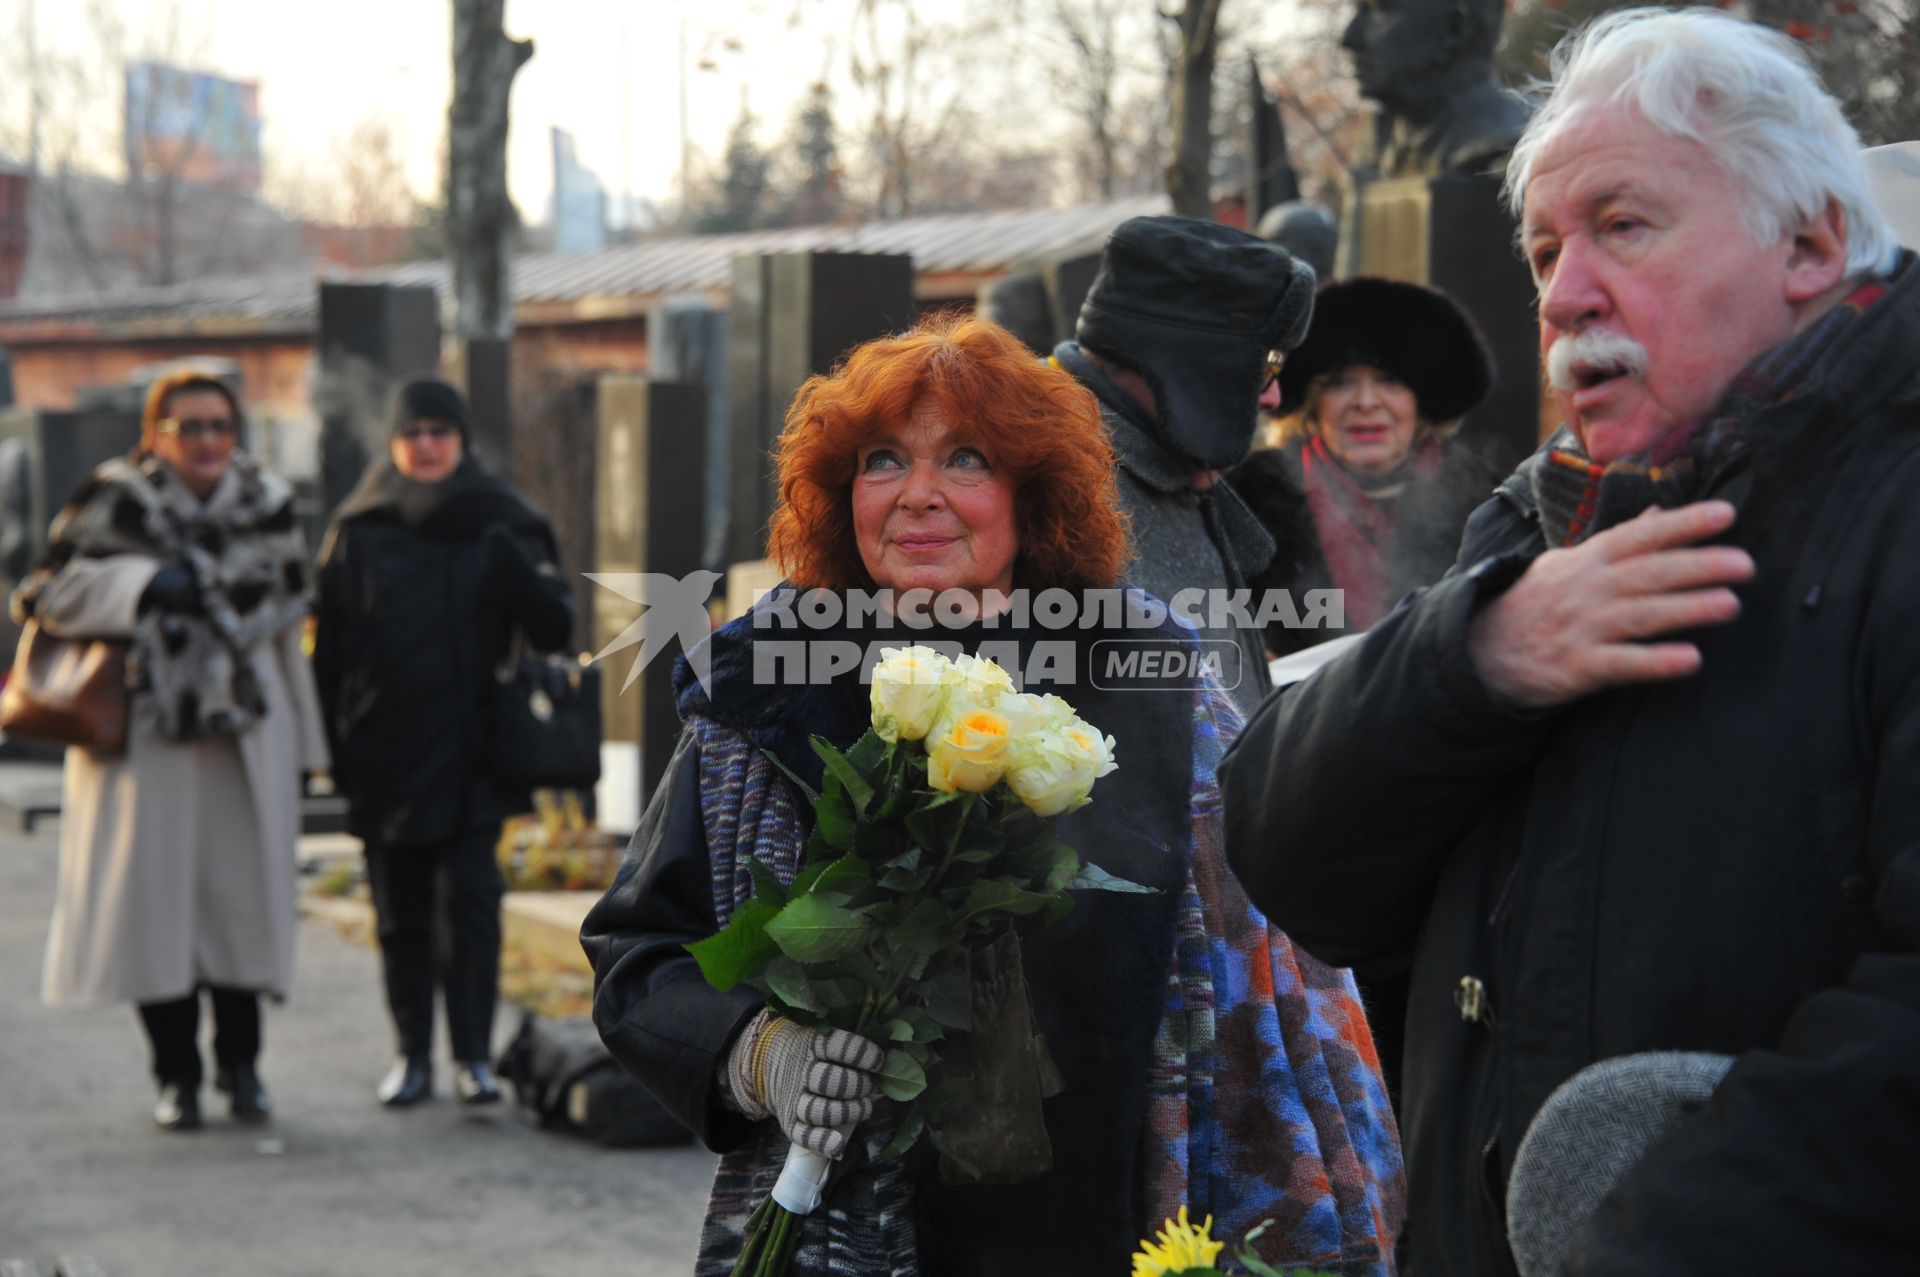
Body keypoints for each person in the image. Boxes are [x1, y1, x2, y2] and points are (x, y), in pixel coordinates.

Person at [1220, 8, 1920, 1272]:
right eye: (1543, 248)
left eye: (1624, 226)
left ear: (1809, 242)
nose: (1564, 292)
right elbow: (1286, 856)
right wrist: (1473, 662)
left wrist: (1640, 1240)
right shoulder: (1540, 521)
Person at [583, 316, 1403, 1277]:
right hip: (848, 1237)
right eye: (883, 460)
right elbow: (638, 956)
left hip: (1118, 1223)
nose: (919, 495)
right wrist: (765, 1054)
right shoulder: (764, 687)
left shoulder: (1151, 682)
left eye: (966, 460)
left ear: (1032, 491)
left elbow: (1269, 963)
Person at [13, 370, 328, 1131]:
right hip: (143, 739)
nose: (209, 441)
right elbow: (45, 593)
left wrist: (307, 744)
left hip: (245, 734)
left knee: (239, 913)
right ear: (156, 433)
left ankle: (243, 1069)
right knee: (152, 918)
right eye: (190, 426)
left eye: (221, 424)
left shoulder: (270, 506)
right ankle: (176, 1076)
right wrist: (142, 583)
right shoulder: (113, 499)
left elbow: (287, 631)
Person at [313, 377, 574, 1108]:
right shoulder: (359, 527)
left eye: (439, 430)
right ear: (394, 443)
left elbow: (558, 629)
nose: (426, 444)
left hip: (475, 753)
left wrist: (516, 571)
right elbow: (327, 652)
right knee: (400, 916)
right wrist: (330, 752)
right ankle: (411, 1056)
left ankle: (472, 1058)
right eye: (413, 431)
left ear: (461, 440)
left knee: (472, 908)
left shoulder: (504, 519)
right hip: (383, 752)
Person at [1051, 214, 1317, 717]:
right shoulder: (1059, 490)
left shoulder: (1161, 459)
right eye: (1265, 369)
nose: (1275, 395)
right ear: (1190, 367)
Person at [1229, 277, 1499, 660]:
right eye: (1340, 383)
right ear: (1311, 401)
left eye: (1390, 381)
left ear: (1422, 399)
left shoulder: (1484, 498)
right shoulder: (1248, 498)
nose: (1366, 402)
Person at [1341, 0, 1531, 178]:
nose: (1349, 38)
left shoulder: (1513, 146)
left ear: (1453, 29)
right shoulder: (1386, 152)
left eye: (1379, 11)